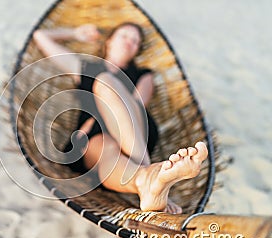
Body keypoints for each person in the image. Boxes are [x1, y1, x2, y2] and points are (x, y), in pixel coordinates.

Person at [33, 23, 208, 214]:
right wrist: (75, 33)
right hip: (95, 139)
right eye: (124, 35)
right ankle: (145, 179)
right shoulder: (86, 67)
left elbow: (136, 106)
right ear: (109, 41)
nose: (129, 42)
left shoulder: (143, 75)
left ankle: (148, 173)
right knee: (107, 148)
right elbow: (41, 36)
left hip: (134, 131)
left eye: (135, 41)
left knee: (106, 82)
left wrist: (95, 119)